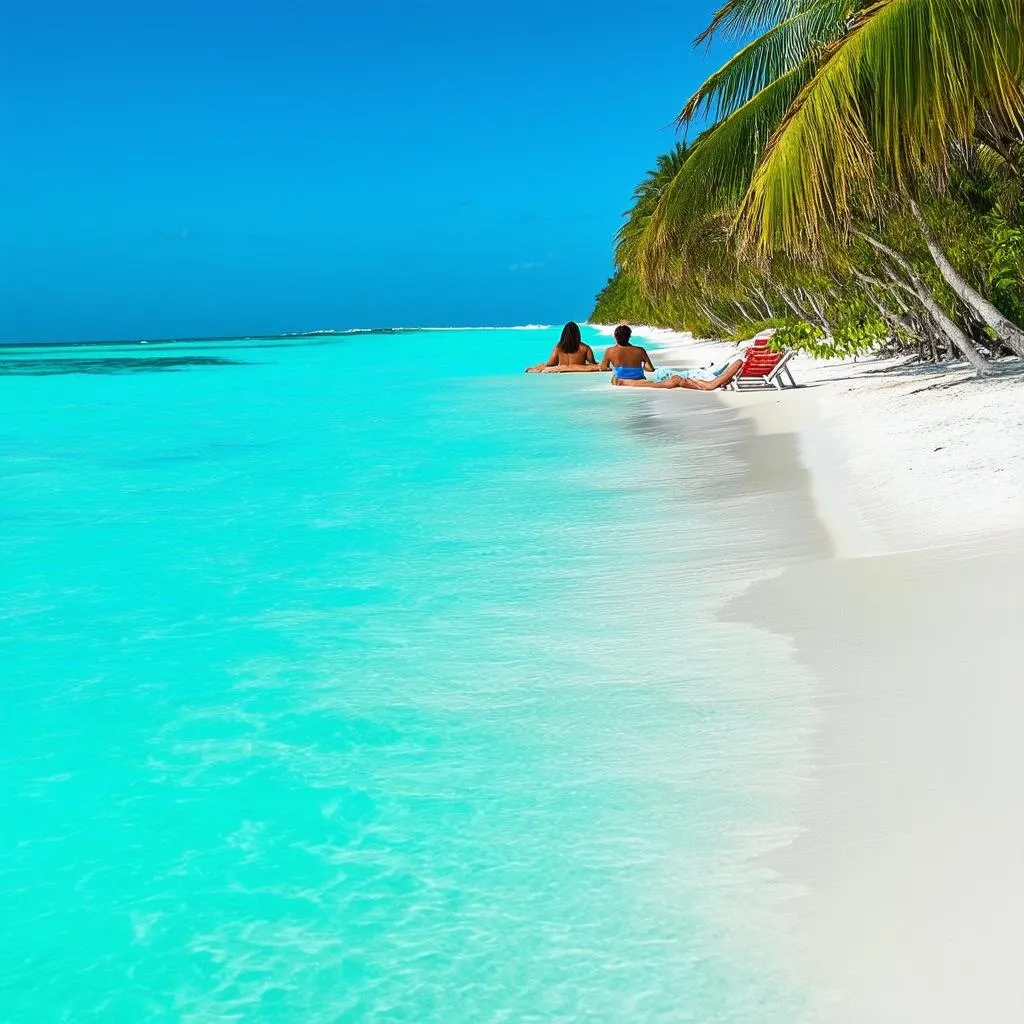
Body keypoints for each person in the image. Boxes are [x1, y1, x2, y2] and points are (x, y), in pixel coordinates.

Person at [610, 353, 746, 390]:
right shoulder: (712, 382)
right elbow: (739, 362)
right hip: (682, 376)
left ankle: (624, 382)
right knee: (652, 383)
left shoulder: (711, 384)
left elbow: (739, 362)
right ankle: (625, 382)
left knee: (653, 383)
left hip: (679, 377)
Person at [525, 322, 599, 372]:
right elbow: (593, 363)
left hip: (561, 372)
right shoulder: (585, 348)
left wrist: (541, 366)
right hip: (579, 375)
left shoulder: (558, 347)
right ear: (577, 334)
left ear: (564, 334)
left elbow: (551, 363)